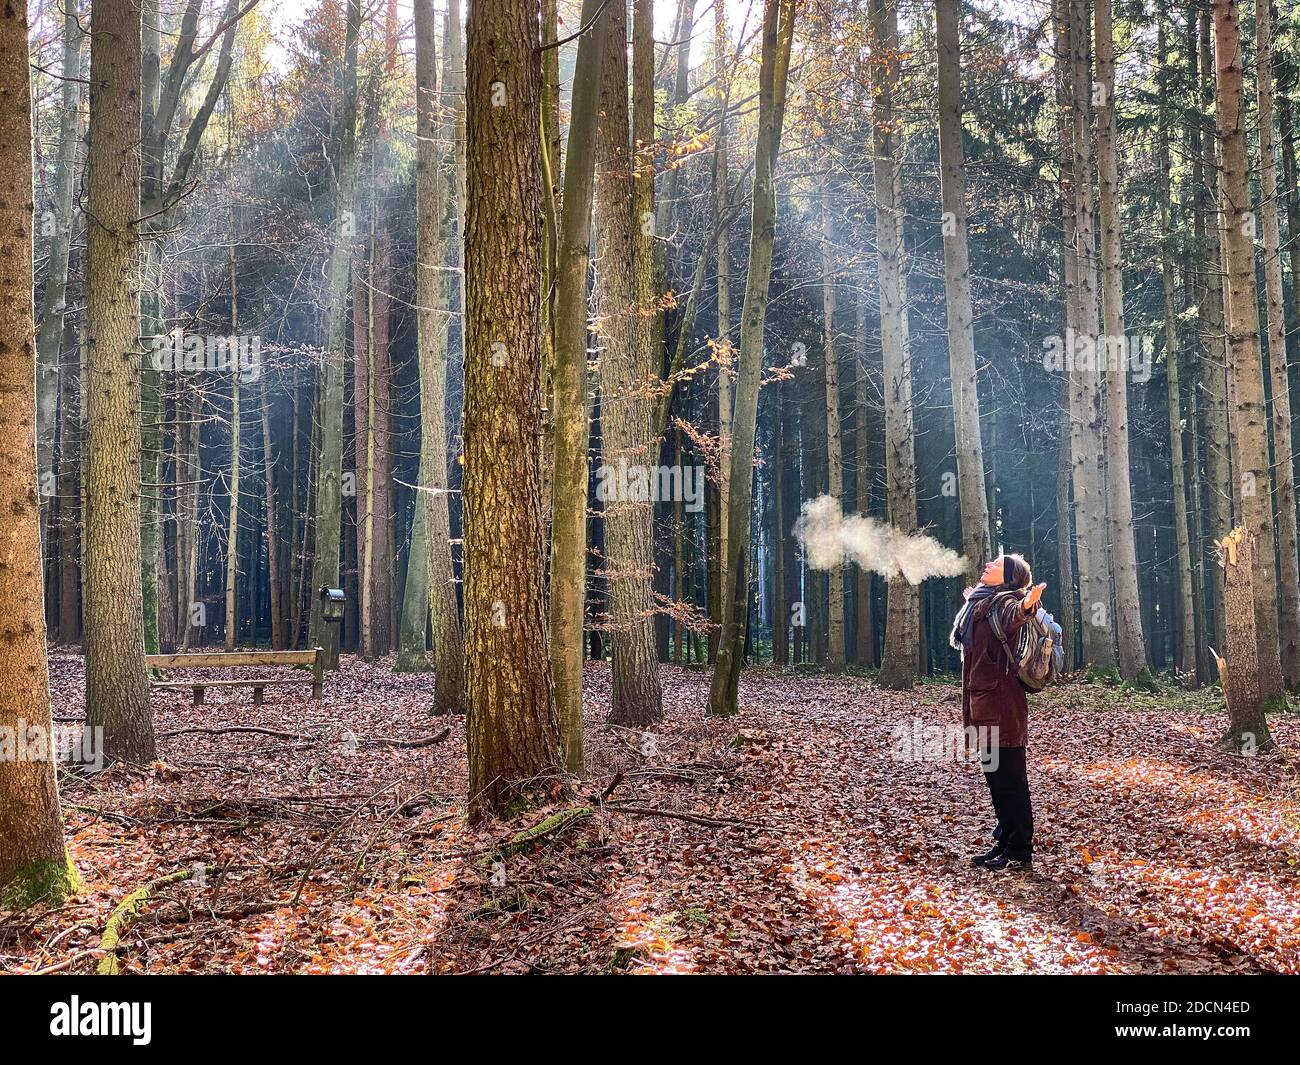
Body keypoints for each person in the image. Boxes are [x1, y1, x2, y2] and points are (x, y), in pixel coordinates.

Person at [949, 554, 1046, 873]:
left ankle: (1020, 849)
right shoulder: (982, 603)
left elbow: (1016, 615)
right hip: (983, 706)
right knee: (996, 780)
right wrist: (972, 603)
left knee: (1011, 781)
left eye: (995, 564)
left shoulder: (1007, 601)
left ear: (1008, 577)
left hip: (1004, 707)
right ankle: (1005, 840)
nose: (987, 565)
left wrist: (1028, 604)